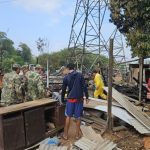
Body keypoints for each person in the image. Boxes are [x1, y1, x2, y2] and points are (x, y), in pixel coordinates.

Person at [61, 63, 89, 140]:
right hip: (79, 100)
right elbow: (84, 87)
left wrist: (62, 99)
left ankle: (65, 135)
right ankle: (77, 135)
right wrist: (87, 97)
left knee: (68, 117)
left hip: (70, 100)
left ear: (67, 68)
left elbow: (63, 90)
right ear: (74, 68)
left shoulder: (66, 77)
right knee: (78, 117)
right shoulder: (80, 75)